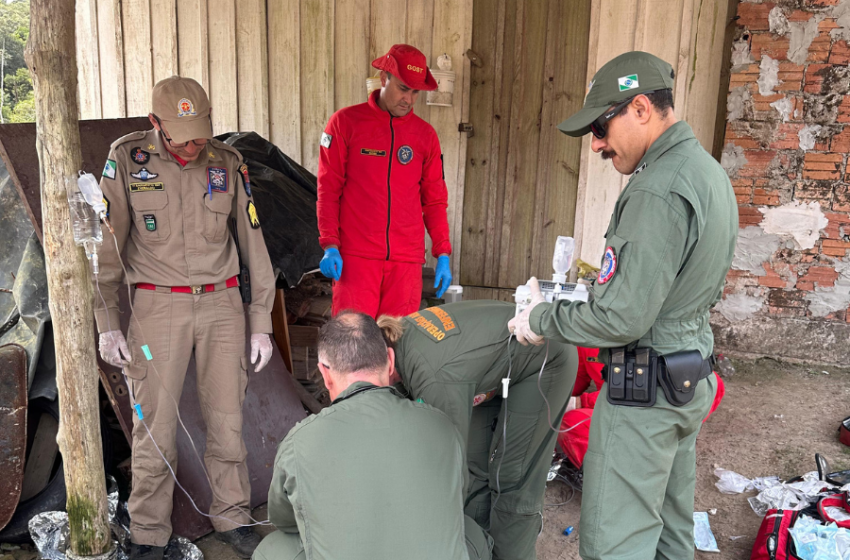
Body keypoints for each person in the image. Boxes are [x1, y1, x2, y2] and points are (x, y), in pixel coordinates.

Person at [509, 51, 737, 560]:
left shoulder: (658, 188)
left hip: (645, 394)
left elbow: (622, 316)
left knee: (614, 544)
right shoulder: (706, 172)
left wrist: (540, 317)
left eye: (600, 126)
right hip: (687, 377)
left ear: (640, 108)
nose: (596, 144)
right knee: (669, 534)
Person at [94, 76, 276, 560]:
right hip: (158, 306)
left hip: (221, 306)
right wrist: (107, 320)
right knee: (153, 425)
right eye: (183, 134)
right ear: (155, 123)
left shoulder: (226, 161)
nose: (195, 144)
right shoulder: (128, 160)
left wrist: (260, 322)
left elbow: (254, 247)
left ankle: (233, 516)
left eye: (201, 131)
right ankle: (149, 532)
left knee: (227, 419)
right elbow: (108, 248)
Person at [253, 312, 493, 560]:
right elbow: (453, 497)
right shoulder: (442, 424)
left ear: (324, 373)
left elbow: (285, 520)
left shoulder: (299, 442)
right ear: (390, 359)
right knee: (471, 532)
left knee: (273, 549)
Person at [377, 301, 578, 560]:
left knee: (512, 476)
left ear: (388, 362)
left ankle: (510, 555)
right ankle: (480, 549)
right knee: (475, 466)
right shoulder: (396, 340)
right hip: (488, 369)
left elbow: (448, 472)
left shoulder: (435, 375)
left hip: (544, 358)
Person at [316, 43, 453, 317]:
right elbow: (328, 190)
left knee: (397, 346)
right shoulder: (345, 123)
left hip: (406, 261)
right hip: (356, 259)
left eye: (416, 92)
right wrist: (330, 244)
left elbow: (435, 201)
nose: (409, 99)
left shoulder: (425, 136)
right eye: (403, 88)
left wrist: (443, 253)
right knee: (354, 346)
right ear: (383, 79)